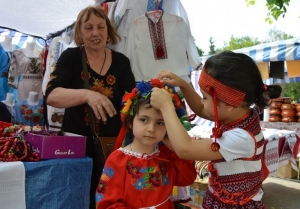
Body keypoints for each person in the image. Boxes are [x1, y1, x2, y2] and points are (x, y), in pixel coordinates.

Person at [150, 51, 282, 209]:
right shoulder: (241, 114)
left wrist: (166, 107)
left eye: (205, 97)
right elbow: (200, 108)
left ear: (229, 104)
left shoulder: (242, 137)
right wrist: (184, 85)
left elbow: (185, 149)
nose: (202, 101)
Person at [45, 5, 136, 209]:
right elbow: (52, 95)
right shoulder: (71, 57)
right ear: (79, 32)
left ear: (108, 30)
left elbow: (133, 100)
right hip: (76, 150)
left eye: (100, 27)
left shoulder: (121, 62)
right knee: (78, 199)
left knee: (110, 201)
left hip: (112, 149)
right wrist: (87, 95)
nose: (96, 32)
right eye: (88, 27)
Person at [95, 79, 196, 209]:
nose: (151, 129)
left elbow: (187, 179)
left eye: (160, 123)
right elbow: (107, 203)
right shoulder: (117, 160)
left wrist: (175, 148)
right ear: (130, 122)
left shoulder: (168, 155)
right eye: (144, 120)